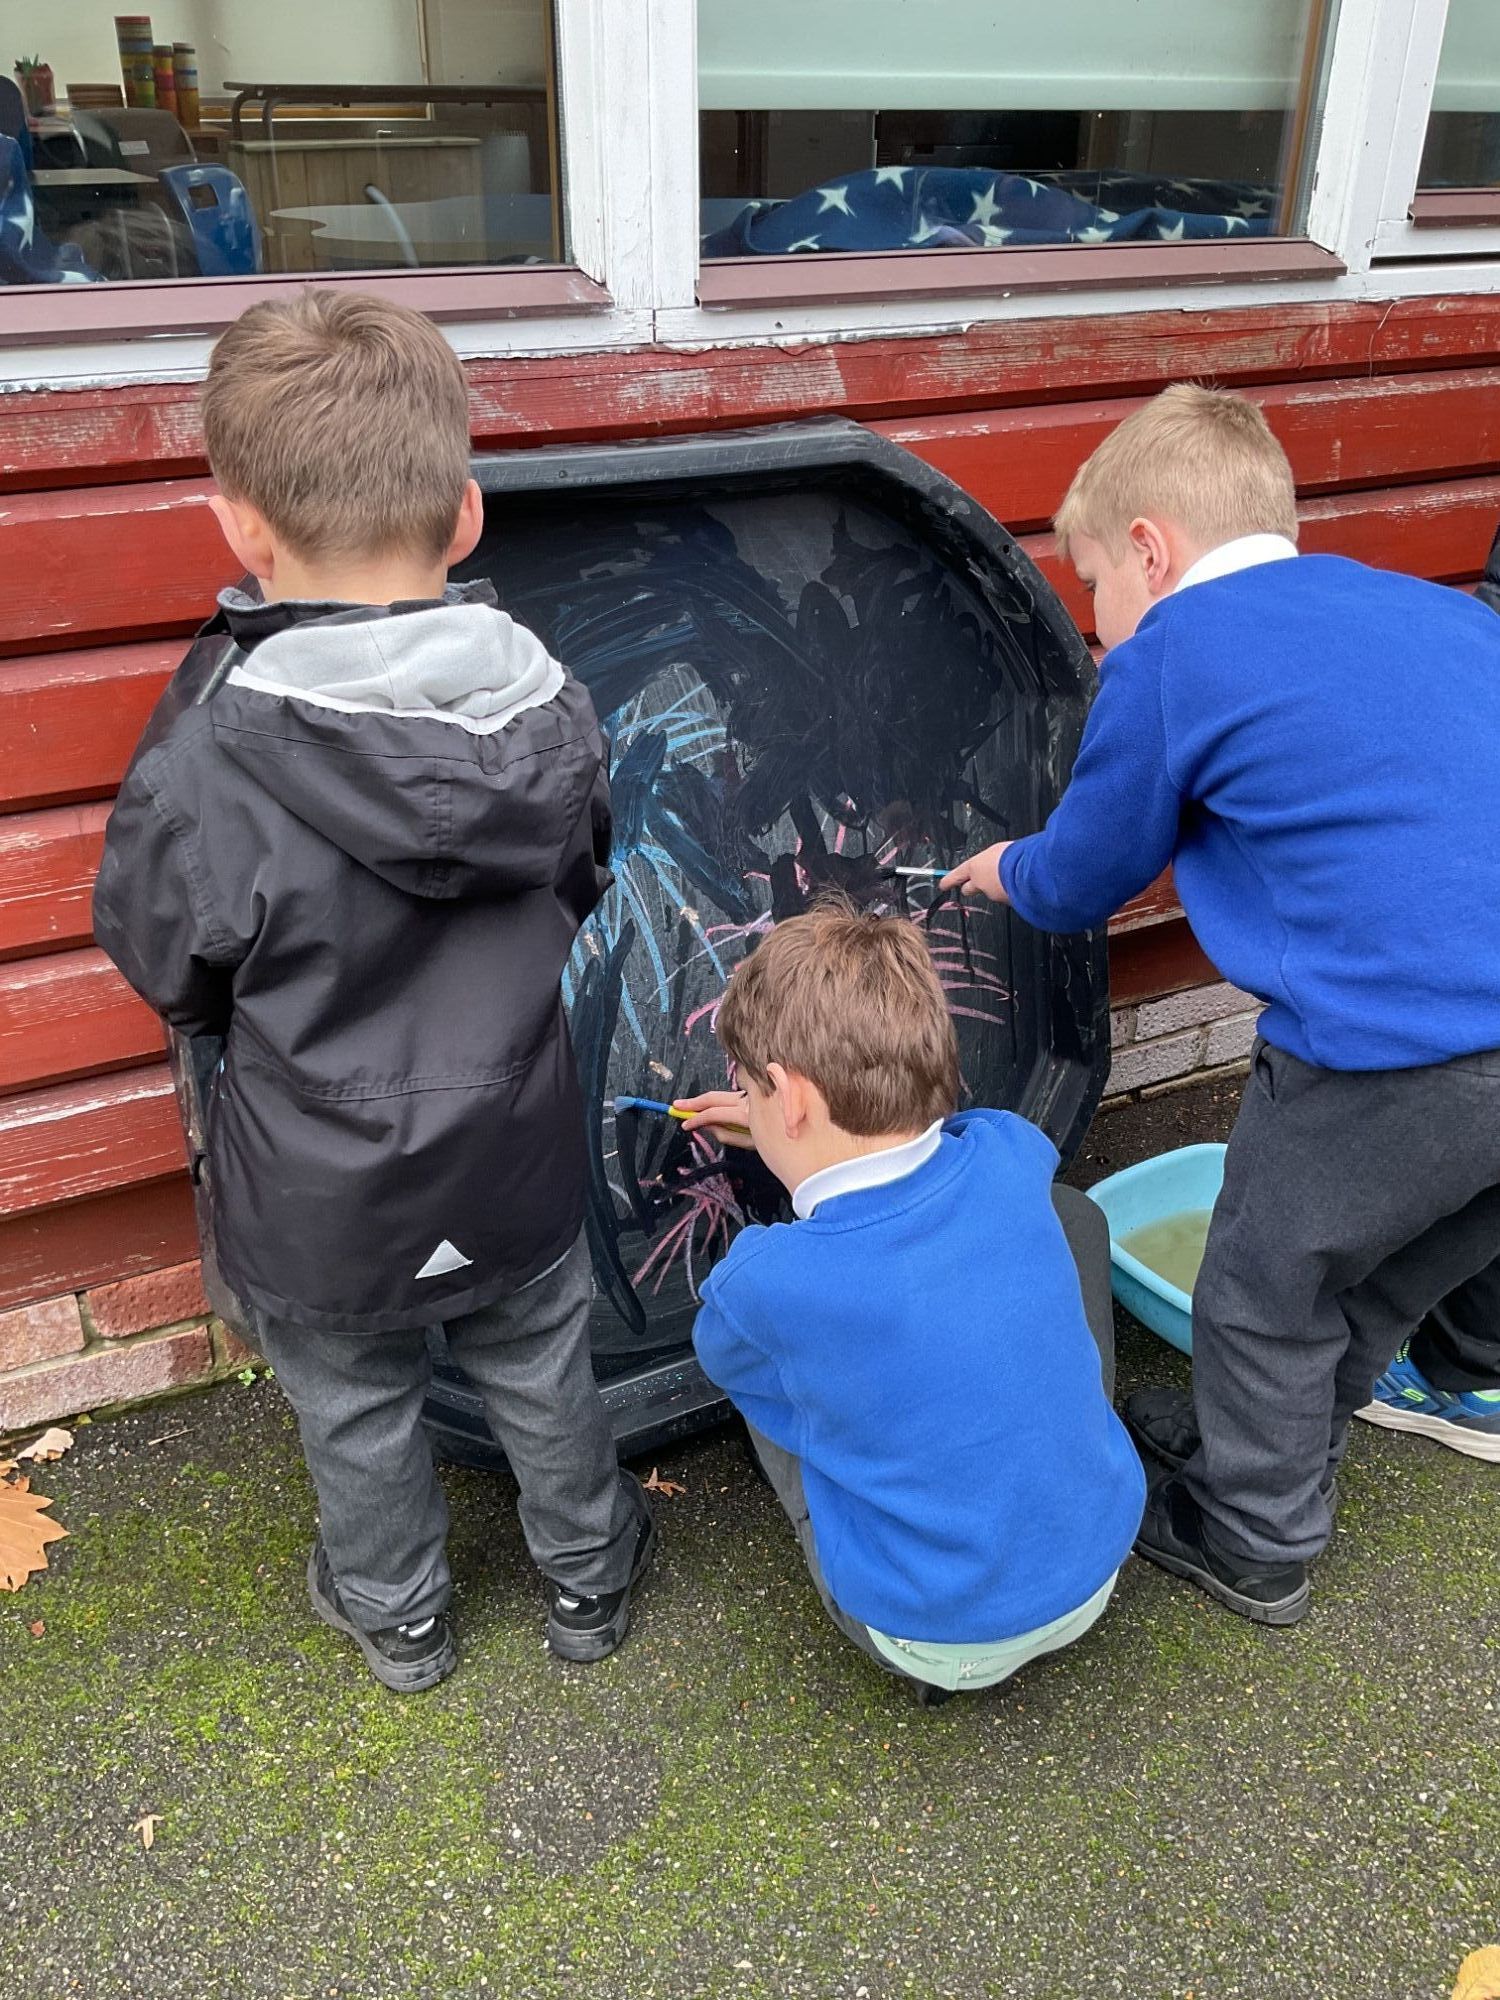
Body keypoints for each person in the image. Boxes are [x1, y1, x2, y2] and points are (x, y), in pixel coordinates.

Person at [93, 290, 652, 1692]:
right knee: (542, 1364)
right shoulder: (557, 709)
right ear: (464, 515)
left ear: (240, 524)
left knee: (352, 1406)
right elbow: (582, 876)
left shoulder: (211, 759)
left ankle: (400, 1623)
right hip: (513, 1149)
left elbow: (166, 961)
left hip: (321, 1189)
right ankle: (591, 1586)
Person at [943, 384, 1500, 1626]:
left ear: (1151, 547)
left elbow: (1088, 869)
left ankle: (1255, 1534)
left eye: (1096, 598)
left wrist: (1010, 870)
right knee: (1382, 1269)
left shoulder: (1176, 651)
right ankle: (1259, 1440)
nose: (1102, 642)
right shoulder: (1436, 612)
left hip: (1399, 1047)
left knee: (1262, 1284)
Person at [677, 903, 1145, 1702]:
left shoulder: (762, 1284)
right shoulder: (1008, 1150)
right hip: (1098, 1570)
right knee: (1071, 1216)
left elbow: (731, 1357)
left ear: (787, 1098)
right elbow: (952, 1137)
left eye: (749, 1091)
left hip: (929, 1639)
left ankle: (889, 1599)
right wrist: (790, 1127)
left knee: (780, 1381)